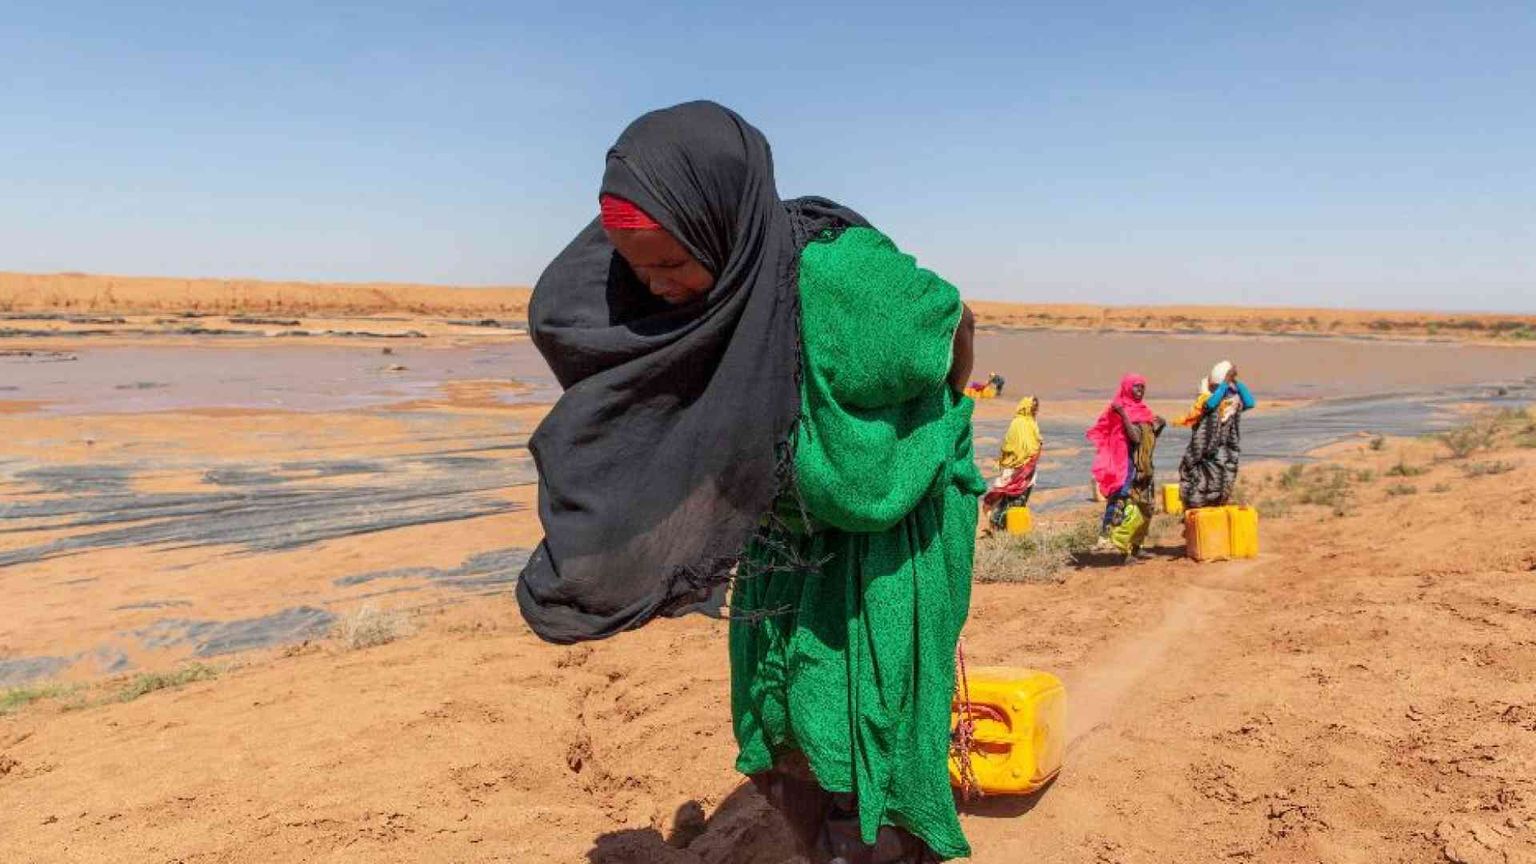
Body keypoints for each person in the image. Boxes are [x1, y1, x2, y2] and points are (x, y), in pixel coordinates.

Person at [517, 102, 983, 863]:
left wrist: (911, 433)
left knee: (872, 724)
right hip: (787, 537)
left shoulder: (839, 278)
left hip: (887, 535)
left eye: (672, 264)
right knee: (788, 728)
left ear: (721, 230)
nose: (660, 287)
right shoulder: (713, 297)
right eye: (639, 268)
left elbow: (952, 326)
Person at [1085, 374, 1164, 561]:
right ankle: (1121, 549)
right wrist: (1123, 415)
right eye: (1136, 387)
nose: (1140, 391)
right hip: (1127, 467)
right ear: (1128, 388)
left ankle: (1137, 545)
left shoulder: (1143, 410)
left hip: (1144, 466)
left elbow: (1147, 439)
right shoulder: (1121, 410)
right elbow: (1135, 438)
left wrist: (1159, 426)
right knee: (1126, 506)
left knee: (1146, 507)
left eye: (1142, 387)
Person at [1178, 360, 1256, 509]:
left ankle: (1216, 503)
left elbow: (1250, 402)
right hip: (1207, 449)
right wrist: (1226, 382)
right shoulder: (1205, 399)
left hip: (1225, 448)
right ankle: (1198, 505)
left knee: (1224, 476)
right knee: (1203, 478)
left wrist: (1235, 381)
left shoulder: (1229, 405)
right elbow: (1211, 405)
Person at [981, 396, 1042, 532]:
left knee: (1015, 500)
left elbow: (1032, 444)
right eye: (1034, 408)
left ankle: (1006, 528)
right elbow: (1012, 445)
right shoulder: (1024, 424)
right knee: (1014, 501)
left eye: (1036, 408)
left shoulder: (1026, 423)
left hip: (1023, 470)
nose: (1036, 411)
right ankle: (1002, 527)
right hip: (1020, 470)